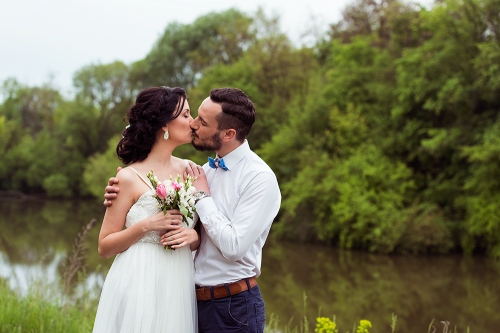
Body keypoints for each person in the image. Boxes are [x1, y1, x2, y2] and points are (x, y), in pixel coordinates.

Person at [105, 87, 281, 333]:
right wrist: (122, 188)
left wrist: (202, 197)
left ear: (228, 133)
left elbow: (233, 247)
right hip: (186, 298)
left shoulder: (259, 179)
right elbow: (197, 231)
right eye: (192, 115)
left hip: (233, 307)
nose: (194, 124)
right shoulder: (200, 172)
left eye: (202, 121)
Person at [93, 86, 199, 333]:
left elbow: (201, 236)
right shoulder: (128, 178)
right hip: (138, 279)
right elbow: (104, 246)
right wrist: (147, 225)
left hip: (178, 280)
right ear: (164, 125)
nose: (192, 122)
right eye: (185, 115)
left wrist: (195, 237)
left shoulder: (192, 171)